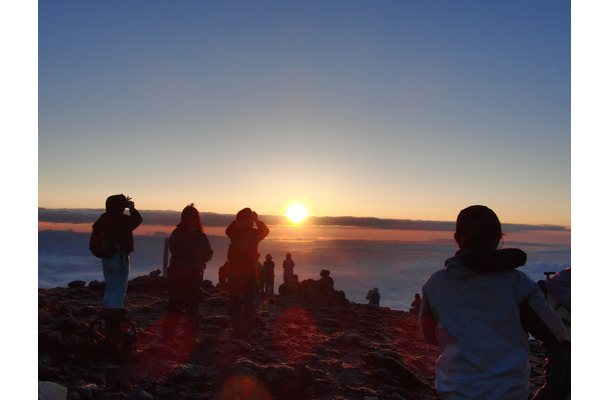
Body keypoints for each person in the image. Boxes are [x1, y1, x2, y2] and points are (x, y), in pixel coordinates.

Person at [419, 205, 567, 400]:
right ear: (498, 238)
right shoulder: (518, 284)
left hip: (452, 394)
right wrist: (552, 390)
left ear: (456, 239)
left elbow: (430, 337)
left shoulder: (436, 284)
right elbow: (557, 337)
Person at [163, 204, 213, 346]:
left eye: (194, 218)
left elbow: (209, 252)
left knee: (192, 307)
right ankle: (168, 336)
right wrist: (195, 258)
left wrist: (201, 260)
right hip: (178, 274)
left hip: (193, 274)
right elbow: (175, 250)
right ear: (185, 219)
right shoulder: (178, 233)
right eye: (190, 218)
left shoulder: (201, 236)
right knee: (175, 305)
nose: (193, 221)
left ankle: (190, 337)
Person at [225, 208, 269, 340]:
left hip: (236, 271)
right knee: (248, 301)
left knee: (235, 301)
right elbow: (266, 231)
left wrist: (237, 221)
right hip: (247, 272)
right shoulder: (253, 234)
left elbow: (228, 230)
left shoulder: (234, 232)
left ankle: (238, 328)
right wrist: (257, 220)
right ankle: (247, 331)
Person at [92, 194, 142, 308]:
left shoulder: (104, 219)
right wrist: (132, 208)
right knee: (119, 289)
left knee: (110, 288)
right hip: (119, 257)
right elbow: (137, 220)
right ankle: (115, 314)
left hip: (106, 257)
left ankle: (107, 313)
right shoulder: (121, 220)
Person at [532, 267, 571, 400]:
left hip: (565, 333)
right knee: (555, 384)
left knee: (566, 384)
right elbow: (553, 287)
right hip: (556, 332)